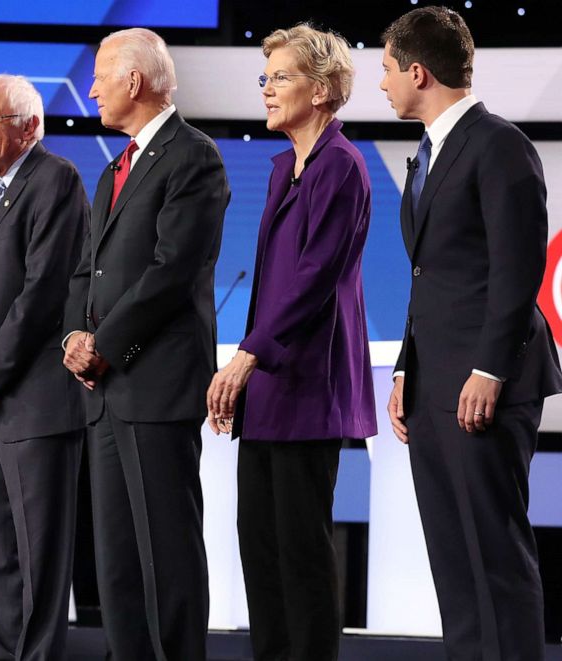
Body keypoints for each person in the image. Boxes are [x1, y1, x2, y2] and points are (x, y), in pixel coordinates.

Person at [380, 7, 562, 660]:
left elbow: (521, 266)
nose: (382, 84)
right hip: (434, 387)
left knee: (495, 555)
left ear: (418, 72)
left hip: (487, 384)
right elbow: (428, 275)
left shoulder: (498, 144)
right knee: (454, 560)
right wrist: (406, 366)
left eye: (386, 69)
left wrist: (489, 368)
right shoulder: (427, 156)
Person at [206, 25, 376, 661]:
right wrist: (249, 366)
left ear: (324, 90)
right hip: (270, 389)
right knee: (262, 549)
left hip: (309, 387)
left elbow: (313, 279)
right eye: (266, 77)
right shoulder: (286, 168)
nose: (268, 89)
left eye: (281, 77)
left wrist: (246, 356)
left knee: (302, 554)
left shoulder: (344, 167)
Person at [62, 27, 230, 661]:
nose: (92, 88)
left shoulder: (195, 157)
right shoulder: (114, 167)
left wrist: (104, 343)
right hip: (104, 391)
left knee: (167, 554)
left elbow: (172, 269)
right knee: (118, 562)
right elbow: (88, 269)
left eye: (101, 76)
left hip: (155, 386)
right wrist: (76, 335)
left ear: (134, 81)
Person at [0, 74, 88, 660]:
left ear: (30, 126)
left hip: (32, 404)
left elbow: (42, 295)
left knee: (38, 567)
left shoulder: (56, 180)